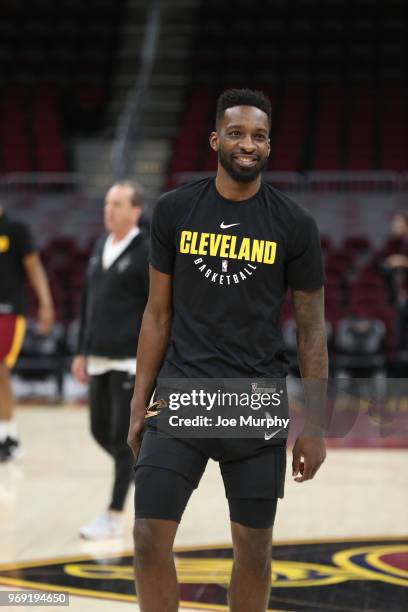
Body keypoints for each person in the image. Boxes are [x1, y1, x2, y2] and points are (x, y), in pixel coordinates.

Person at [128, 89, 328, 611]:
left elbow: (312, 331)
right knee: (148, 539)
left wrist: (316, 425)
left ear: (269, 146)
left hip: (255, 401)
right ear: (216, 139)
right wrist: (137, 401)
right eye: (237, 133)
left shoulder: (295, 224)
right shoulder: (174, 211)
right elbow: (157, 314)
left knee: (255, 554)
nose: (248, 144)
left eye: (259, 136)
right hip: (181, 395)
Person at [71, 180, 149, 540]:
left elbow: (158, 310)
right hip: (98, 356)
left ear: (135, 210)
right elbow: (89, 302)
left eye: (117, 204)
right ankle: (140, 466)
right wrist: (82, 350)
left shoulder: (145, 250)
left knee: (122, 440)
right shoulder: (101, 245)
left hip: (129, 361)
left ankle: (113, 514)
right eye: (107, 203)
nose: (109, 209)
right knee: (98, 431)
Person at [0, 204, 54, 462]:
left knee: (0, 369)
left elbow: (34, 267)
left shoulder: (16, 229)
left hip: (8, 311)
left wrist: (45, 303)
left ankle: (7, 435)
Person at [383, 210, 408, 350]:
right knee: (401, 337)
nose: (393, 225)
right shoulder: (403, 242)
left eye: (397, 222)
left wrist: (400, 261)